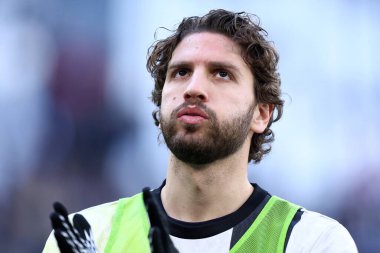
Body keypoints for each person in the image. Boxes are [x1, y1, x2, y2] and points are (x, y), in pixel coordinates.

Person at [43, 9, 358, 253]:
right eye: (180, 72)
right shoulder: (89, 235)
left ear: (261, 113)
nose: (193, 88)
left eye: (221, 74)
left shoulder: (312, 242)